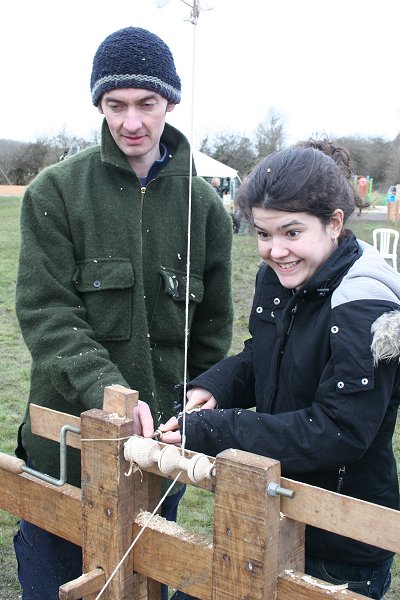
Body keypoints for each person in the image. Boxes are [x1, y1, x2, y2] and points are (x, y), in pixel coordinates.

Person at [13, 26, 233, 599]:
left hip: (158, 457)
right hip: (64, 450)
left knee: (137, 588)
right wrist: (109, 391)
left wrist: (191, 405)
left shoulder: (205, 208)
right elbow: (47, 313)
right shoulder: (55, 192)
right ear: (98, 105)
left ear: (171, 104)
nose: (131, 121)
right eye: (116, 105)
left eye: (146, 104)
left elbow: (211, 333)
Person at [134, 140, 400, 600]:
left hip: (336, 541)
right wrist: (215, 389)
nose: (275, 250)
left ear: (334, 223)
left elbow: (338, 431)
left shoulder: (365, 306)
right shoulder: (281, 276)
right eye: (263, 233)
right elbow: (263, 356)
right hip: (268, 509)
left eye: (292, 233)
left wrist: (217, 431)